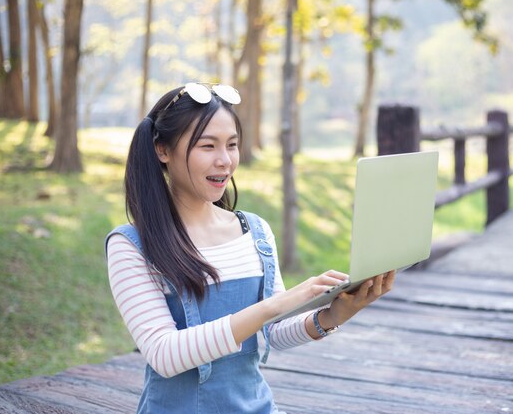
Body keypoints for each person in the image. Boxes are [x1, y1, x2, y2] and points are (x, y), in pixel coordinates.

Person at [105, 82, 396, 414]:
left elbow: (273, 333)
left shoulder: (254, 231)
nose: (225, 161)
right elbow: (165, 355)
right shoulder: (131, 246)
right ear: (162, 150)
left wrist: (334, 315)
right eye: (207, 146)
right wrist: (275, 305)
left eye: (232, 145)